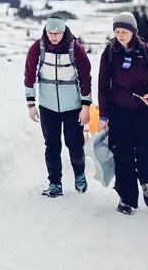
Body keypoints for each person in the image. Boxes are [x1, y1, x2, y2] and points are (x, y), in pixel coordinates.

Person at [98, 12, 148, 215]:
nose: (120, 35)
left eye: (124, 31)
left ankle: (147, 181)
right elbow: (103, 87)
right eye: (117, 31)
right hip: (119, 112)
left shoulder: (147, 52)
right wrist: (103, 115)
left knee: (147, 154)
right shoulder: (110, 53)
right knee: (123, 156)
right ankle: (127, 199)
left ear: (133, 32)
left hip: (146, 112)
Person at [24, 17, 92, 197]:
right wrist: (31, 104)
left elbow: (85, 78)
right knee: (52, 146)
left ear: (64, 32)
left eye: (58, 33)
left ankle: (79, 175)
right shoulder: (37, 49)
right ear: (46, 32)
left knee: (75, 144)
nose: (54, 37)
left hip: (73, 107)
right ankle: (55, 183)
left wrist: (85, 106)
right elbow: (29, 76)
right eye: (50, 33)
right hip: (47, 107)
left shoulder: (75, 49)